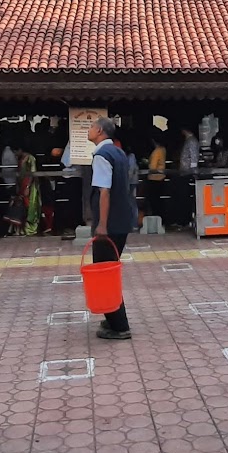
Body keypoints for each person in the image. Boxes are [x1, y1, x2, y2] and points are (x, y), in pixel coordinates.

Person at [86, 117, 135, 340]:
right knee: (109, 268)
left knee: (105, 272)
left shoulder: (102, 156)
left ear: (99, 130)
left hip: (110, 222)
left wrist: (101, 225)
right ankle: (112, 317)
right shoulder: (118, 152)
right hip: (123, 219)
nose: (88, 130)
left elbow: (104, 192)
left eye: (90, 127)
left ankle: (119, 326)